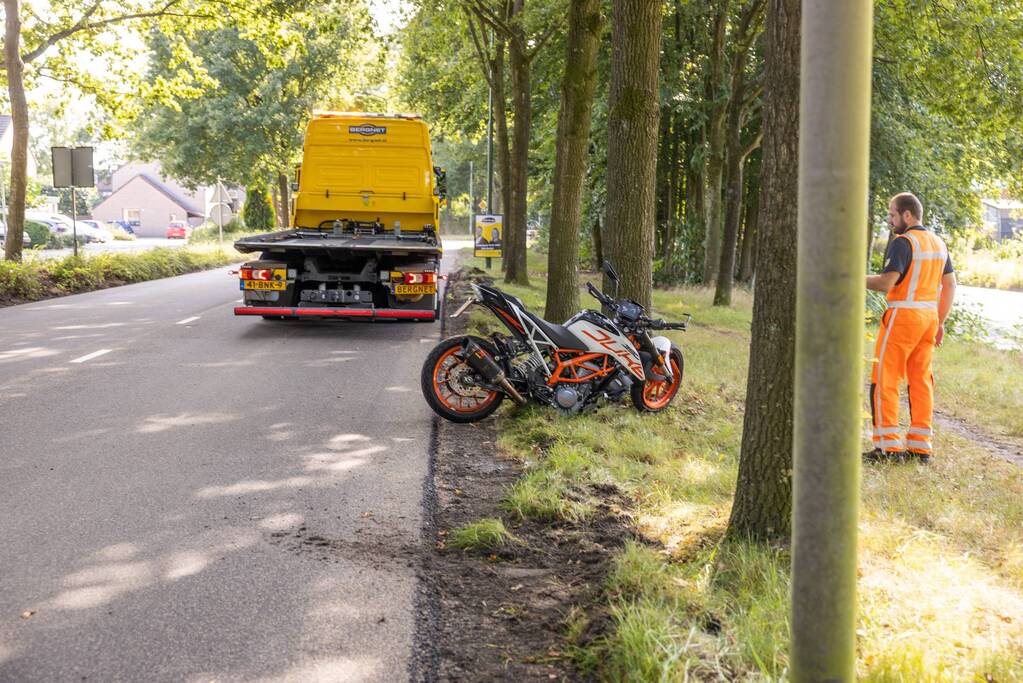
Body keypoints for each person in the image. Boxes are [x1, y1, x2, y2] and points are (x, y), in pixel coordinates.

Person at [864, 192, 956, 464]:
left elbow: (885, 283)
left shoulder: (903, 242)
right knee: (921, 381)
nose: (890, 220)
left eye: (892, 215)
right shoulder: (939, 244)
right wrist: (940, 321)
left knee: (885, 377)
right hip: (928, 320)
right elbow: (949, 285)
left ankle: (888, 449)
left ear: (907, 215)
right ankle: (920, 448)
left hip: (903, 317)